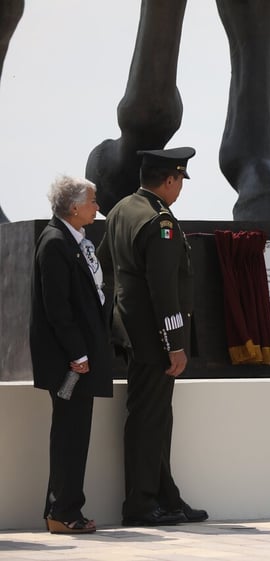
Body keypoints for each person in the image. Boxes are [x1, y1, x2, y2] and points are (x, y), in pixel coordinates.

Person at [97, 146, 208, 526]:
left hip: (132, 333)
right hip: (154, 340)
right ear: (170, 179)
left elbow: (105, 268)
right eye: (180, 181)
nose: (180, 190)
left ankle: (166, 497)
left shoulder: (121, 211)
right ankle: (141, 504)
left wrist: (119, 316)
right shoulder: (159, 222)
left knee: (156, 417)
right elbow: (164, 290)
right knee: (148, 419)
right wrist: (175, 344)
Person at [29, 175, 112, 534]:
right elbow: (57, 308)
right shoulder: (55, 242)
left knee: (75, 434)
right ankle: (63, 512)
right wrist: (77, 353)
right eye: (93, 201)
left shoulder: (74, 240)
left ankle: (63, 509)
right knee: (69, 435)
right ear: (75, 207)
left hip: (82, 358)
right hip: (71, 362)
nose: (97, 207)